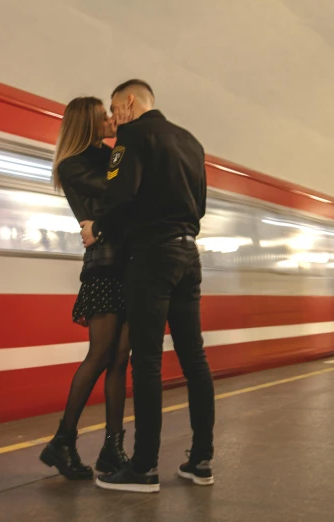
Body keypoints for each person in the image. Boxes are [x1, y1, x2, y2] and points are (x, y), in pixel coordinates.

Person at [80, 80, 216, 493]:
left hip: (152, 256)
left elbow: (121, 194)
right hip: (188, 255)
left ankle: (143, 467)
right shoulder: (191, 142)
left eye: (115, 108)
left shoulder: (132, 136)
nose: (114, 117)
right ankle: (201, 460)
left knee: (148, 361)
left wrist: (96, 227)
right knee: (195, 360)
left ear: (129, 102)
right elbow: (203, 205)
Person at [39, 97, 131, 480]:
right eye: (104, 116)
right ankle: (63, 439)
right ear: (88, 123)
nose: (111, 119)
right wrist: (126, 137)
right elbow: (116, 191)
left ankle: (113, 448)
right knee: (100, 354)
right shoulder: (74, 164)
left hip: (127, 264)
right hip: (104, 267)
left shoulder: (106, 155)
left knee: (120, 360)